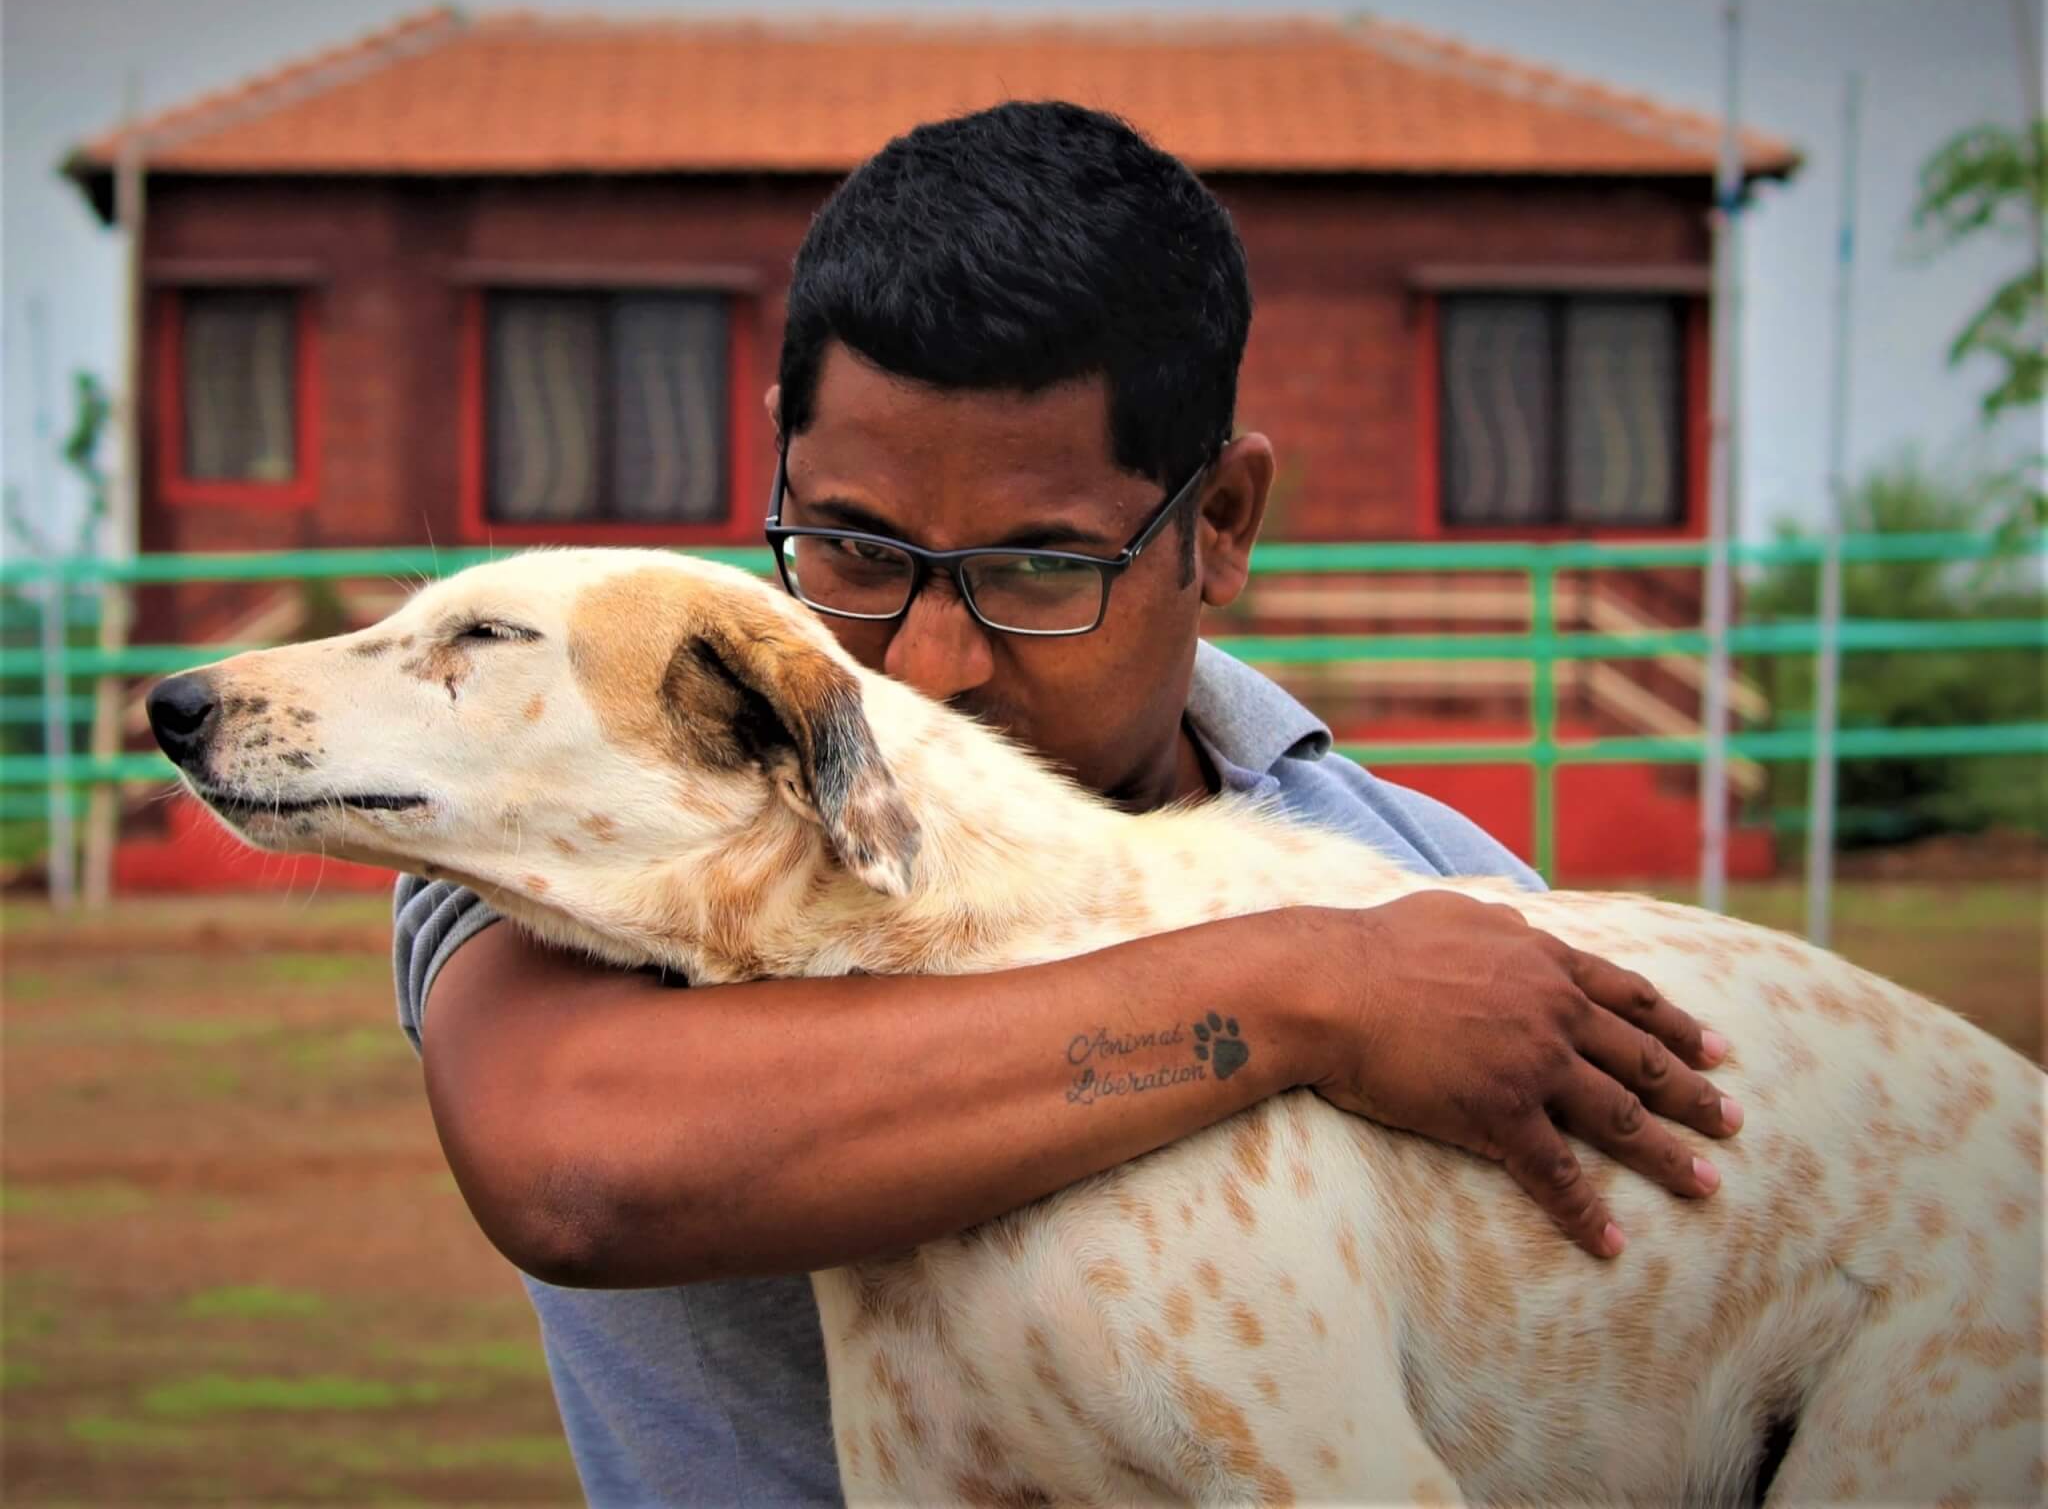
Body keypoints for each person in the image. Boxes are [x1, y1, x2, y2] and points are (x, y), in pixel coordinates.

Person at [393, 100, 1741, 1506]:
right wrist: (1307, 993)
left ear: (1218, 525)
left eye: (1040, 569)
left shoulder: (1428, 888)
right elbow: (580, 1167)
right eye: (850, 549)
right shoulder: (608, 831)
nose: (928, 666)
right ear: (781, 464)